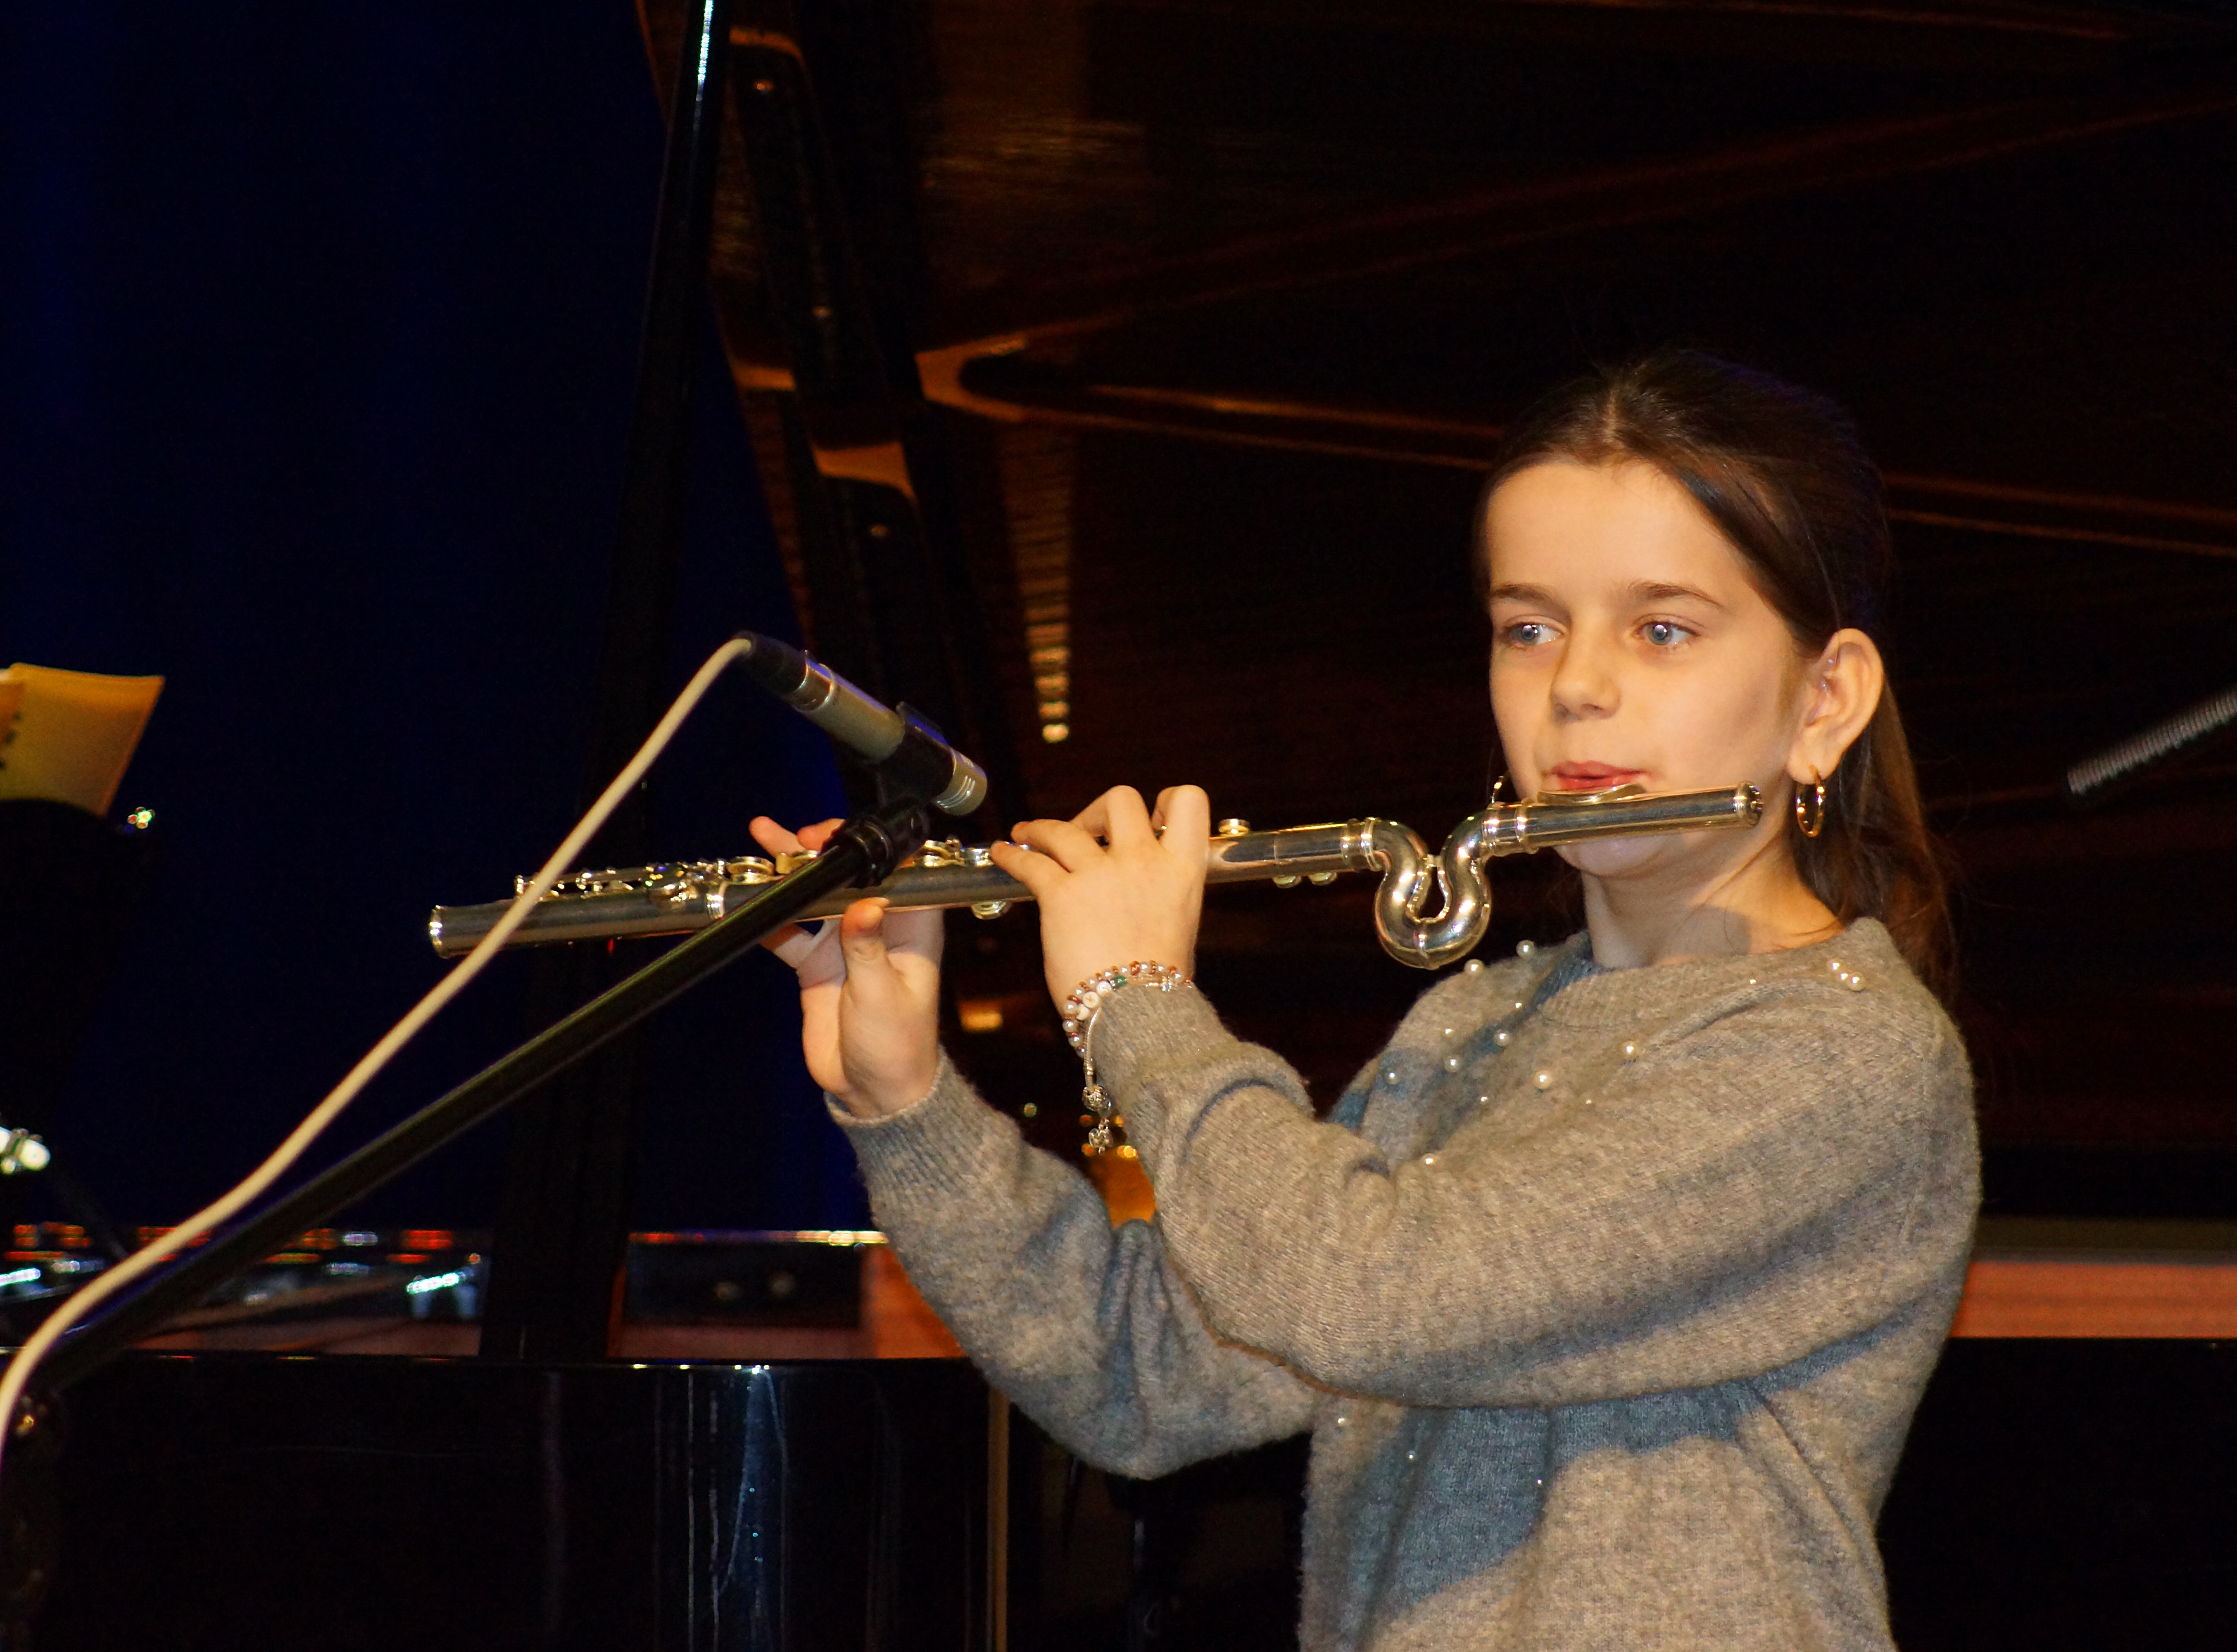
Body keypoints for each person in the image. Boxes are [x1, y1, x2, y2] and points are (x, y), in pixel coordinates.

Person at [752, 351, 1978, 1650]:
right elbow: (1146, 1379)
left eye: (1661, 628)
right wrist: (907, 1101)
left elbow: (1371, 1296)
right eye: (1529, 627)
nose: (1577, 686)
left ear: (1825, 700)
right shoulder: (1472, 1024)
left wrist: (1133, 997)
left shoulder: (1845, 1052)